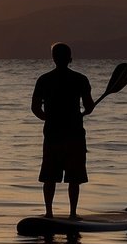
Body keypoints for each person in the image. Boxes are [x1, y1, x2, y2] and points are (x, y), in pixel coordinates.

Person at [31, 43, 95, 220]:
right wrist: (85, 111)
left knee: (49, 175)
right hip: (74, 133)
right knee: (74, 177)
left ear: (53, 58)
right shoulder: (81, 79)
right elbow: (89, 106)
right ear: (70, 58)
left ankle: (49, 212)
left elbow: (35, 108)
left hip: (52, 133)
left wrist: (48, 118)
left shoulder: (44, 80)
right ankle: (73, 213)